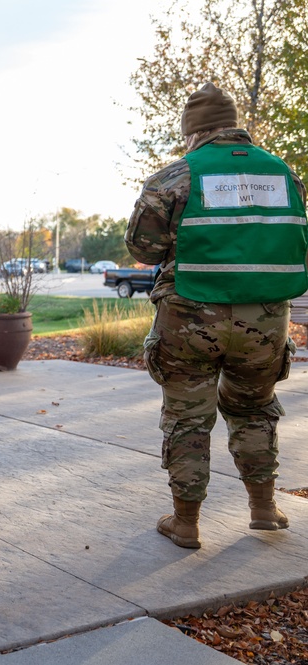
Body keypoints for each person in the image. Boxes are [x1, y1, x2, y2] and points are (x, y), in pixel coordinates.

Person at [125, 83, 308, 549]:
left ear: (195, 132)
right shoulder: (284, 175)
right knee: (254, 409)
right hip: (265, 319)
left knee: (188, 416)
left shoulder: (177, 177)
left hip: (190, 317)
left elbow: (142, 250)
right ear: (234, 125)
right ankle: (264, 508)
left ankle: (186, 522)